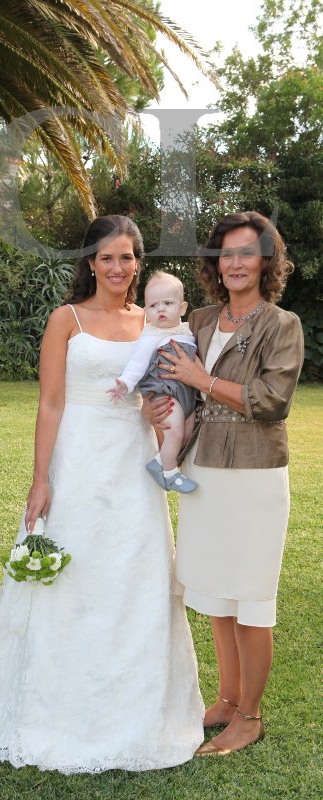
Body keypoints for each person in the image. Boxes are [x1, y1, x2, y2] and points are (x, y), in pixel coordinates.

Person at [0, 215, 204, 772]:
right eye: (106, 257)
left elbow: (159, 389)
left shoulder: (153, 320)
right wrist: (41, 478)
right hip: (77, 460)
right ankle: (53, 711)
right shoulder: (65, 320)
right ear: (90, 263)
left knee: (134, 574)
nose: (117, 267)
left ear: (138, 263)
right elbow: (50, 403)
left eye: (127, 257)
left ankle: (136, 714)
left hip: (132, 461)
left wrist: (157, 413)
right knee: (72, 574)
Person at [143, 211, 303, 756]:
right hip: (203, 471)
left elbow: (271, 401)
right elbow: (168, 376)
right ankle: (228, 701)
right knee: (217, 595)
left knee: (250, 599)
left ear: (265, 262)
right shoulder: (202, 319)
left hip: (255, 478)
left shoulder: (282, 325)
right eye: (226, 253)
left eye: (247, 253)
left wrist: (203, 379)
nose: (235, 263)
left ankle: (250, 717)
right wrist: (155, 403)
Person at [108, 270, 197, 493]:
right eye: (154, 305)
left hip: (186, 392)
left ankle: (158, 462)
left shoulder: (187, 332)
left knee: (188, 432)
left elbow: (195, 361)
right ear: (146, 312)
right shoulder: (151, 335)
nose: (161, 309)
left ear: (182, 308)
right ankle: (170, 473)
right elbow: (137, 362)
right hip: (165, 391)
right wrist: (125, 383)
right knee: (175, 432)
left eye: (168, 303)